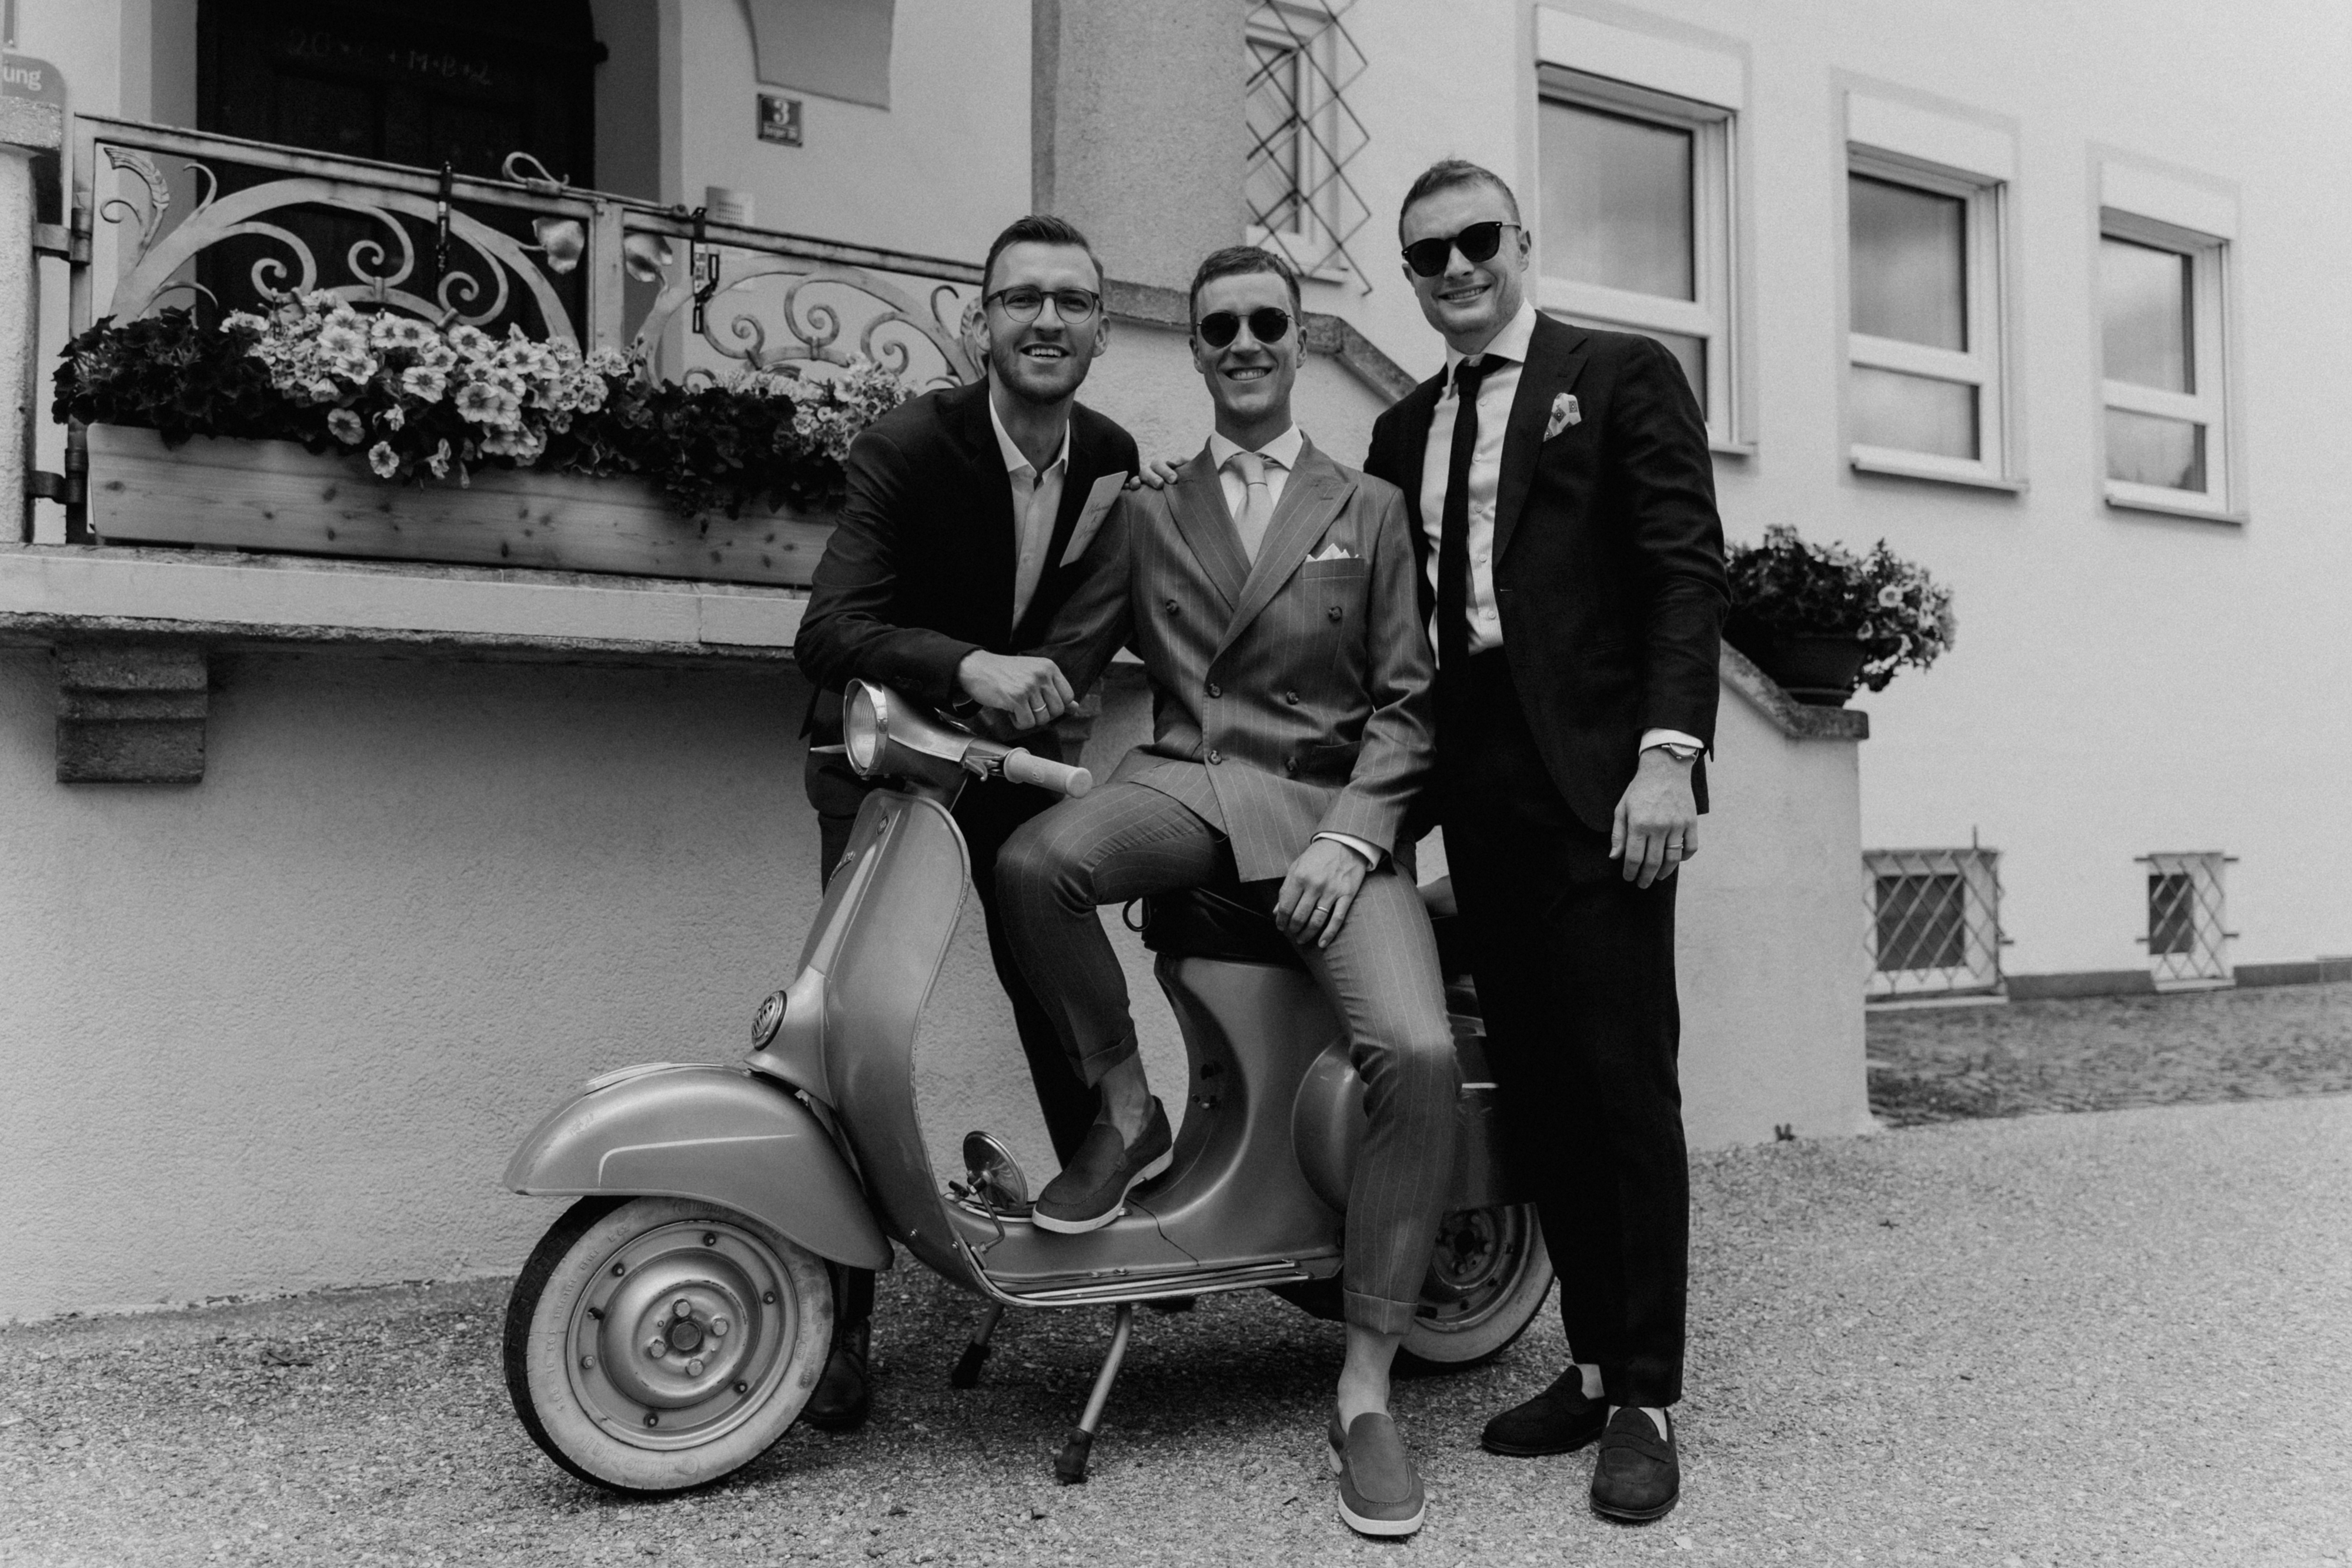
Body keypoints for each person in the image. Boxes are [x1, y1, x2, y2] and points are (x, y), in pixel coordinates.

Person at [996, 246, 1458, 1540]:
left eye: (1267, 322)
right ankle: (1124, 1110)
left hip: (1330, 814)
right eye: (1220, 328)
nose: (1245, 343)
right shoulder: (1148, 507)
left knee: (1416, 1051)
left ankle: (1364, 1385)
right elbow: (1062, 660)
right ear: (1193, 351)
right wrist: (945, 694)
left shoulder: (1367, 505)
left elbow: (1410, 705)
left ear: (1299, 339)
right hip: (1191, 785)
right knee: (1037, 864)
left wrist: (1354, 836)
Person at [1361, 160, 1728, 1524]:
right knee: (1540, 1092)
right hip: (1478, 791)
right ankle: (1583, 1363)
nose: (1454, 266)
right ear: (1409, 276)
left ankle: (1643, 1396)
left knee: (1621, 1084)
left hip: (1602, 786)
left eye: (1475, 239)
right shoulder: (1402, 428)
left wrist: (1666, 756)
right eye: (1426, 253)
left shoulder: (1615, 373)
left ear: (1521, 242)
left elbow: (1681, 567)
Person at [791, 213, 1139, 1430]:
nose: (1046, 320)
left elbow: (1091, 611)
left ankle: (1110, 1234)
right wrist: (966, 664)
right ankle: (838, 1326)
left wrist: (1042, 692)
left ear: (1101, 328)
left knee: (1054, 978)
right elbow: (827, 631)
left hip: (1011, 773)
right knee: (854, 1024)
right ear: (978, 320)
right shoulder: (906, 443)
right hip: (890, 765)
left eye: (1071, 301)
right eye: (1020, 298)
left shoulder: (1111, 455)